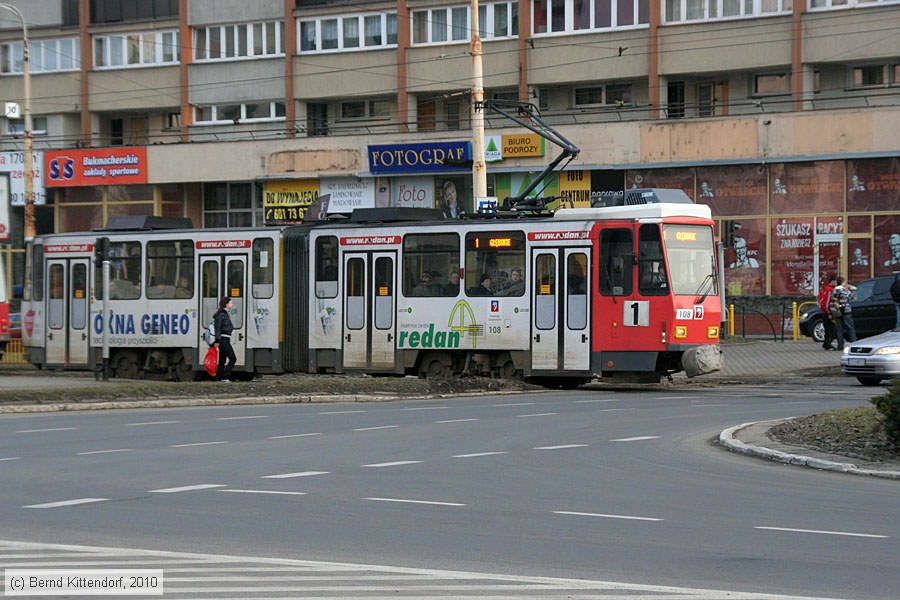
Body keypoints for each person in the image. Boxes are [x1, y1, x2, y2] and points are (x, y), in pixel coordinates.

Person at [213, 296, 236, 382]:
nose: (232, 304)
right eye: (231, 303)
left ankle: (219, 377)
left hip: (225, 339)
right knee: (233, 358)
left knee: (222, 359)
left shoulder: (224, 314)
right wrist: (217, 340)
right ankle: (225, 377)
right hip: (224, 339)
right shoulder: (221, 315)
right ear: (226, 304)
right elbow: (217, 328)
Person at [832, 276, 857, 351]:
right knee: (850, 327)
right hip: (846, 309)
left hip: (837, 310)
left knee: (839, 329)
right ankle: (853, 344)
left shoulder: (835, 289)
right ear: (843, 282)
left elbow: (832, 298)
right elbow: (853, 298)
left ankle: (840, 345)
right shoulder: (847, 289)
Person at [817, 274, 837, 350]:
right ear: (832, 281)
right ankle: (827, 344)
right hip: (828, 312)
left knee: (829, 329)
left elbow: (819, 300)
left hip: (826, 311)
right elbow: (826, 302)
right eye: (835, 281)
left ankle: (827, 343)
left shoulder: (825, 289)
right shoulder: (829, 290)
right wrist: (828, 312)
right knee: (830, 329)